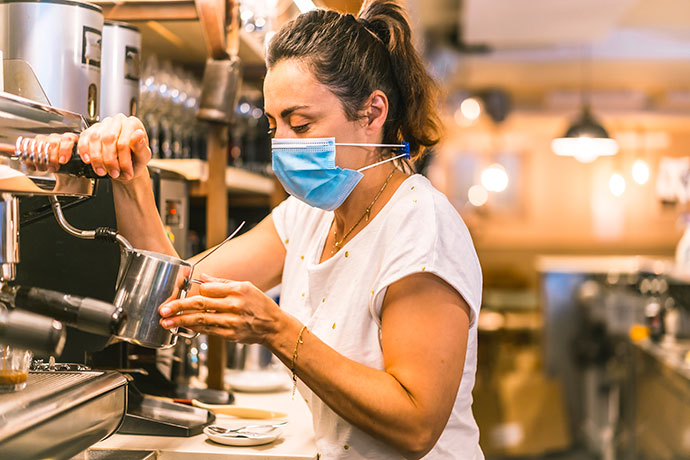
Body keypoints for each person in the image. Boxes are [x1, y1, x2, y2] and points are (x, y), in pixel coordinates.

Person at [40, 1, 483, 458]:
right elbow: (178, 289)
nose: (281, 146)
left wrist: (276, 330)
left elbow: (415, 424)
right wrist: (132, 177)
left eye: (301, 124)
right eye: (274, 126)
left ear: (372, 113)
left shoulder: (421, 229)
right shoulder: (307, 216)